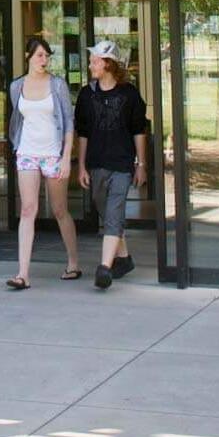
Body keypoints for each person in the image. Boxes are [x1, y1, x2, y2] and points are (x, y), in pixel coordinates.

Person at [6, 34, 79, 289]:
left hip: (53, 153)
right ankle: (23, 274)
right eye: (39, 55)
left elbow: (69, 123)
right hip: (26, 151)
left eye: (47, 56)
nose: (44, 60)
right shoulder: (17, 87)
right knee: (28, 210)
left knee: (59, 209)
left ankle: (73, 262)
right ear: (28, 57)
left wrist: (66, 158)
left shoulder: (57, 85)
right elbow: (19, 118)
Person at [75, 38, 149, 289]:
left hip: (122, 163)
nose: (90, 65)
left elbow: (139, 129)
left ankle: (104, 267)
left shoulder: (129, 94)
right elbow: (82, 132)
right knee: (106, 211)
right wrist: (81, 165)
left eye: (94, 61)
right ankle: (124, 258)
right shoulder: (86, 95)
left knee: (114, 210)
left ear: (107, 64)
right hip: (96, 162)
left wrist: (141, 163)